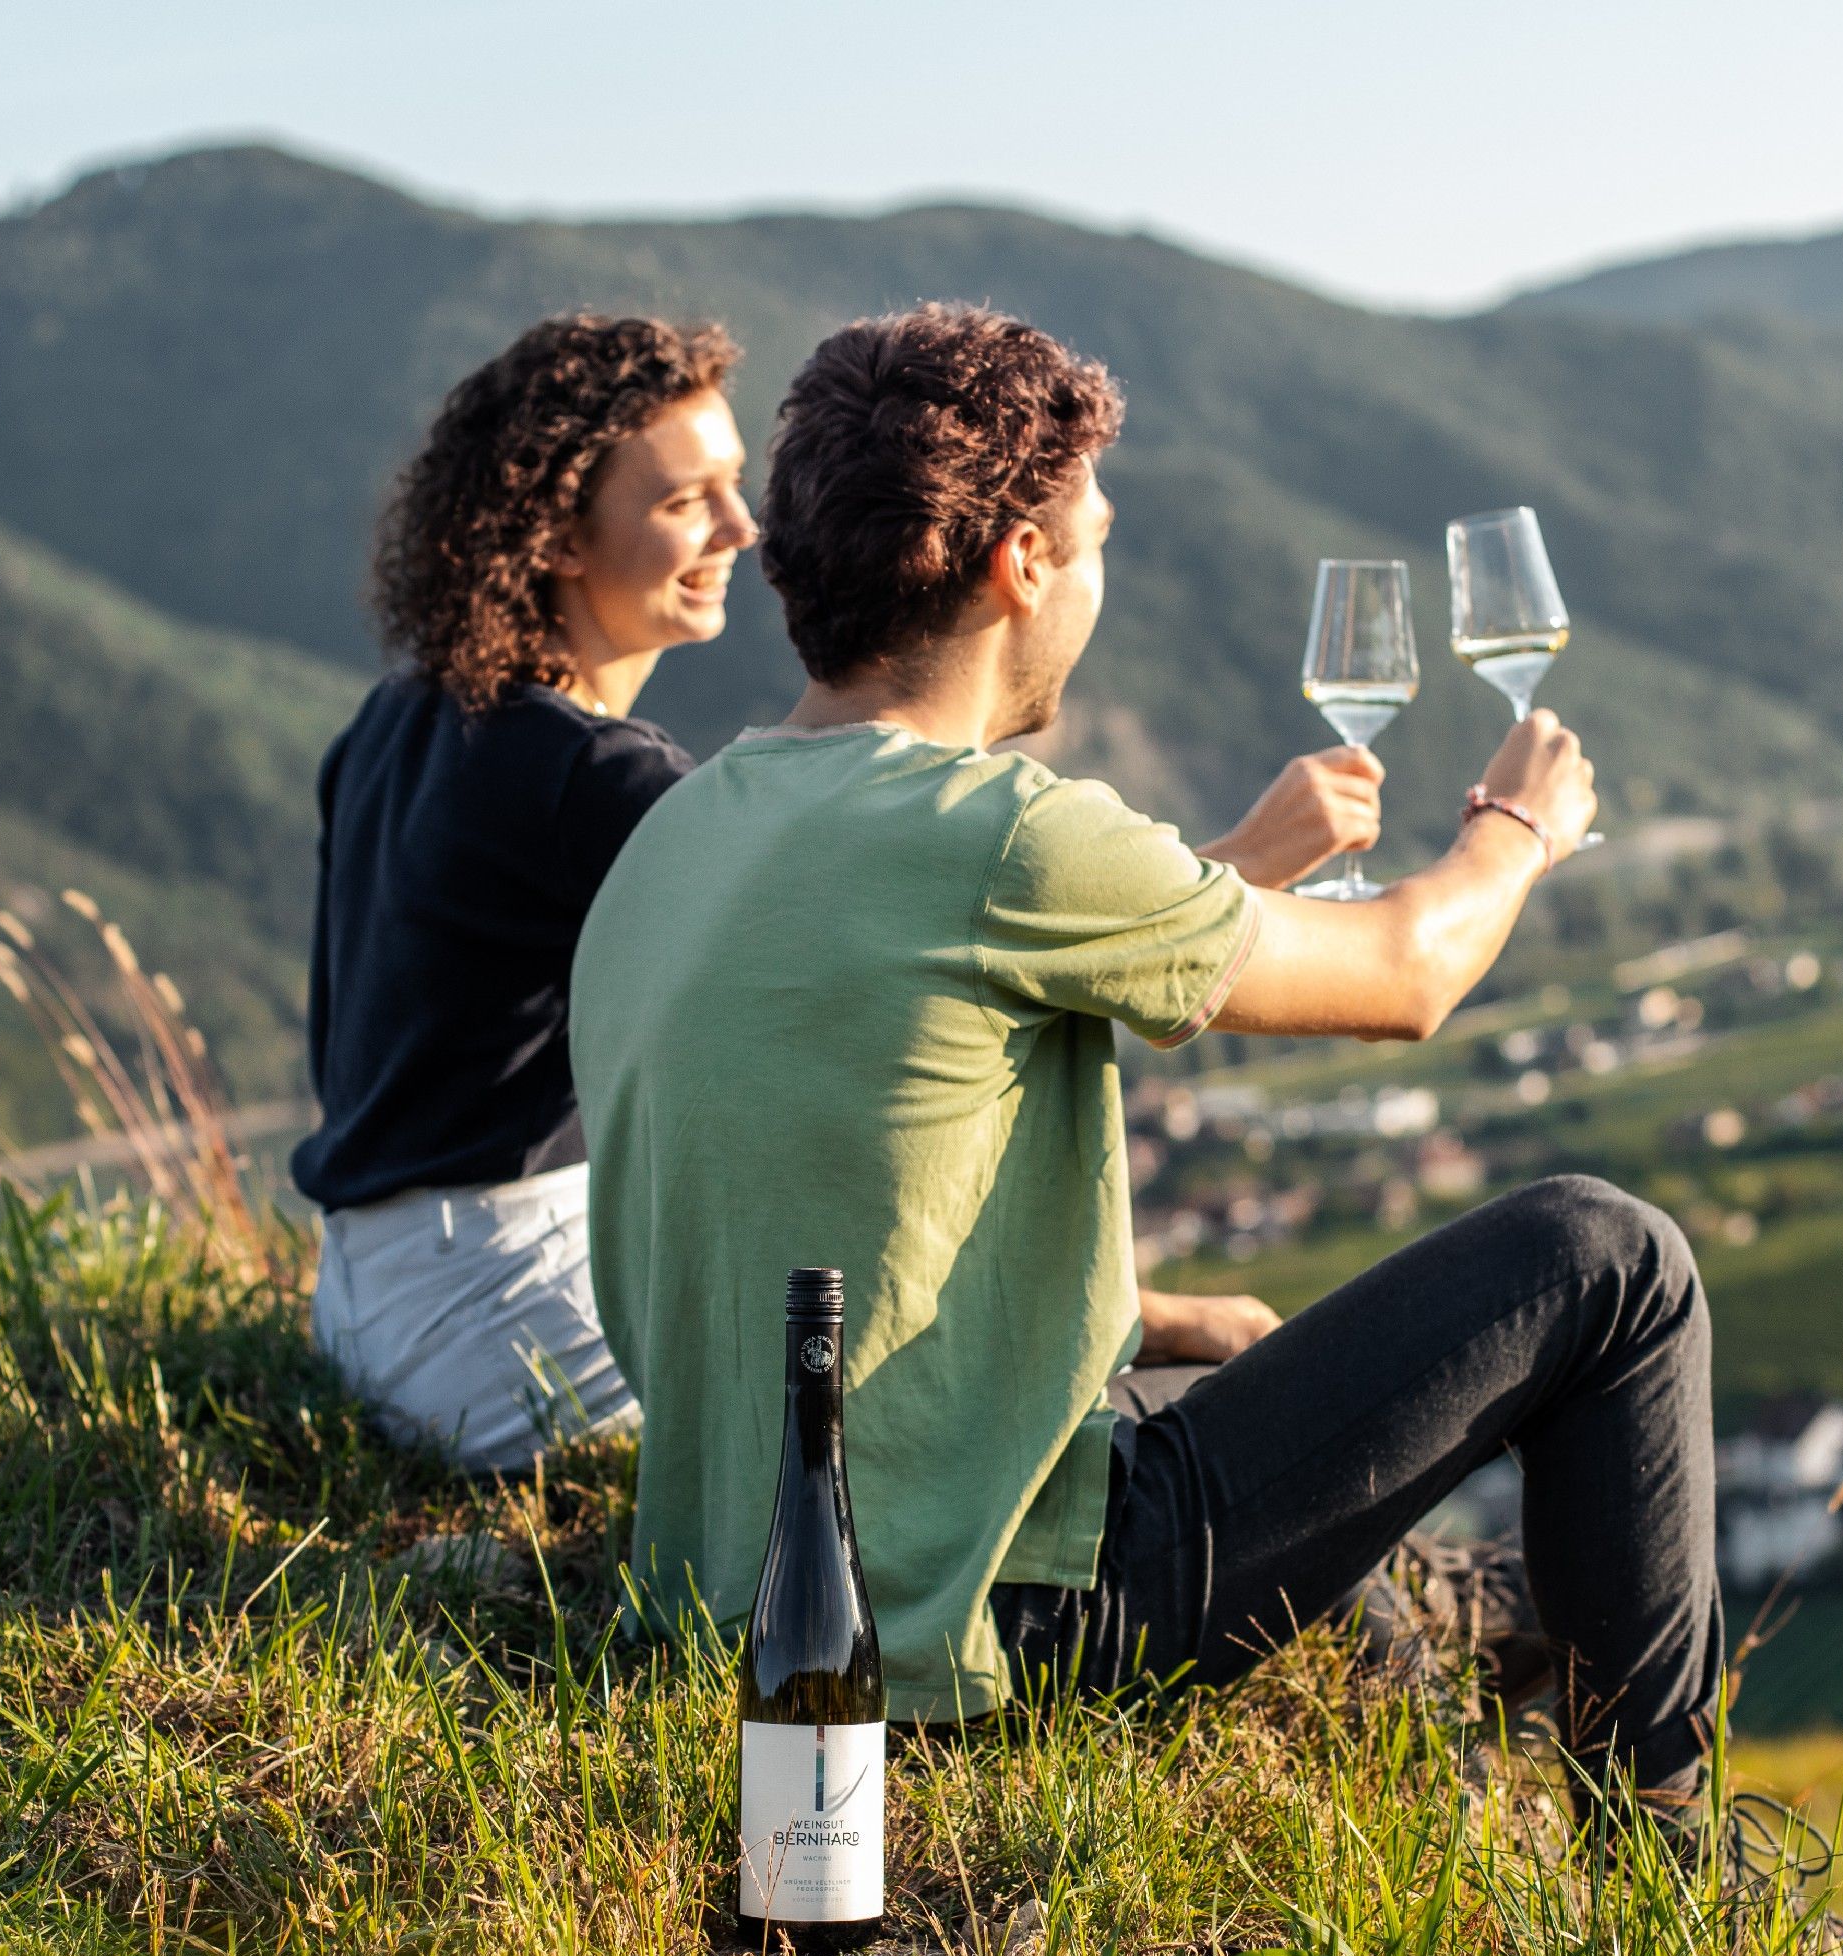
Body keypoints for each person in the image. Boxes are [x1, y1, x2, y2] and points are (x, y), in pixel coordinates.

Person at [571, 301, 1740, 1819]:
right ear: (1022, 563)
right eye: (1098, 536)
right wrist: (1516, 831)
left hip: (741, 1610)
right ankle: (1670, 1889)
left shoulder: (679, 840)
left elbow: (872, 1138)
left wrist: (1152, 1310)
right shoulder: (999, 829)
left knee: (1223, 1355)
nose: (1098, 578)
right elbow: (1406, 974)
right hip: (985, 1629)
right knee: (1610, 1259)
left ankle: (1446, 1616)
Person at [288, 314, 755, 1471]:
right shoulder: (585, 776)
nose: (741, 529)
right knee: (856, 1364)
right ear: (554, 537)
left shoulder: (401, 713)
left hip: (363, 1295)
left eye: (734, 486)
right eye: (685, 502)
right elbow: (842, 942)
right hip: (493, 1319)